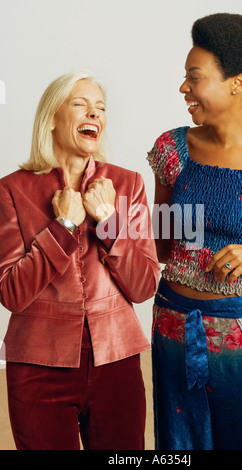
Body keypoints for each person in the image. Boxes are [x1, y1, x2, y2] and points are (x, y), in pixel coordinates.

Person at [147, 13, 242, 450]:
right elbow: (162, 245)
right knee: (180, 441)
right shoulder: (171, 149)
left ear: (237, 83)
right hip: (171, 322)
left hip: (240, 330)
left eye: (194, 77)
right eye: (184, 77)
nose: (183, 88)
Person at [0, 70, 160, 450]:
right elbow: (11, 293)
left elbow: (144, 285)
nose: (95, 114)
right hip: (37, 365)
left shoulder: (128, 183)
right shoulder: (11, 189)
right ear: (52, 118)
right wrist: (63, 226)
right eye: (81, 105)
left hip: (116, 360)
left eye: (100, 108)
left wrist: (108, 222)